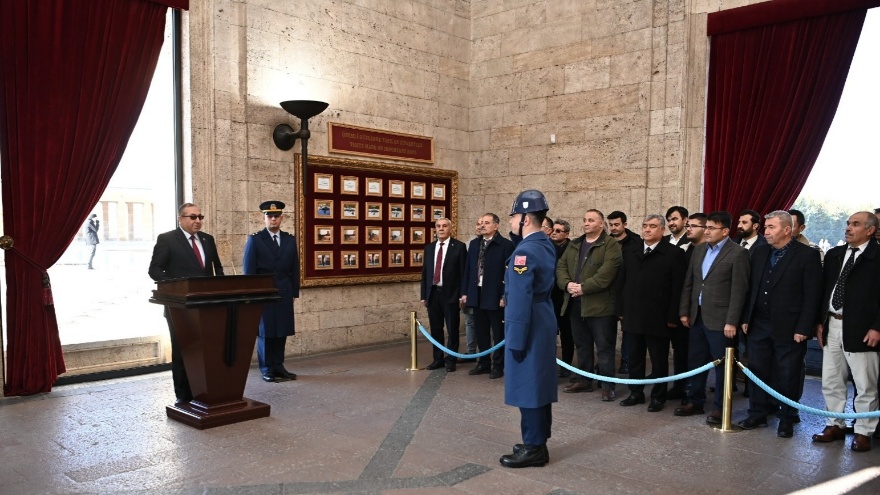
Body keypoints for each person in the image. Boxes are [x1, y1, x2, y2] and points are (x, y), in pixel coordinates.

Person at [736, 211, 822, 438]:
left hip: (790, 327)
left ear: (787, 229)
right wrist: (746, 318)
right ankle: (757, 413)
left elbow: (812, 295)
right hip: (759, 324)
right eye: (766, 227)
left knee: (788, 373)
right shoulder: (760, 252)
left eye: (772, 227)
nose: (766, 231)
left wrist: (804, 327)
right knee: (757, 371)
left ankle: (787, 418)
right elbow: (751, 288)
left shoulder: (807, 255)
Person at [498, 190, 558, 469]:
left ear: (524, 218)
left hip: (528, 322)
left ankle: (534, 447)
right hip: (542, 317)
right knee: (539, 383)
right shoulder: (543, 243)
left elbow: (520, 300)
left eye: (513, 216)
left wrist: (516, 338)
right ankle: (537, 440)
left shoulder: (524, 252)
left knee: (529, 386)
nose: (510, 221)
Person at [812, 211, 880, 452]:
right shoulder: (834, 254)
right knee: (831, 380)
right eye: (848, 223)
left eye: (856, 224)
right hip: (832, 324)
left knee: (865, 384)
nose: (848, 228)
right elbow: (824, 290)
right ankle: (835, 424)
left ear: (871, 230)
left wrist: (877, 327)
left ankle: (863, 431)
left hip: (862, 330)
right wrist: (820, 322)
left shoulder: (877, 256)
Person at [675, 211, 749, 425]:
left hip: (721, 320)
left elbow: (739, 290)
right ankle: (695, 401)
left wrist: (732, 321)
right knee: (695, 362)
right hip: (697, 316)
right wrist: (684, 311)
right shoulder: (698, 250)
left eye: (711, 228)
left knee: (722, 366)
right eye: (705, 227)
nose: (706, 231)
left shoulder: (738, 254)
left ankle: (720, 407)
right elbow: (690, 283)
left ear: (725, 231)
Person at [148, 203, 224, 404]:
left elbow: (218, 270)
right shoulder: (167, 240)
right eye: (192, 217)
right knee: (184, 351)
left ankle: (205, 391)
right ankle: (183, 396)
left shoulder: (208, 240)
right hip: (180, 308)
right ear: (180, 219)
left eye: (200, 216)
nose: (197, 221)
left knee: (206, 350)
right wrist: (176, 287)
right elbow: (155, 270)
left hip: (208, 306)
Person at [618, 214, 686, 413]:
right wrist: (620, 309)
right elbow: (622, 282)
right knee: (635, 357)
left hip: (658, 317)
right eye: (645, 226)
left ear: (662, 230)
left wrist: (673, 316)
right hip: (633, 314)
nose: (647, 230)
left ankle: (658, 396)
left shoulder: (674, 254)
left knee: (658, 360)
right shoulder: (631, 251)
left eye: (653, 226)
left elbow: (677, 288)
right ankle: (636, 393)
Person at [557, 209, 622, 401]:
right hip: (576, 304)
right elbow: (561, 267)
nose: (586, 223)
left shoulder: (610, 244)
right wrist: (567, 284)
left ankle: (608, 385)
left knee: (604, 347)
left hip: (600, 306)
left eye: (591, 220)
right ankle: (584, 380)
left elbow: (607, 273)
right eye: (584, 220)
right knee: (582, 345)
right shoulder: (575, 244)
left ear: (601, 224)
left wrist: (583, 287)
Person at [243, 201, 301, 383]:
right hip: (264, 291)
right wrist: (253, 295)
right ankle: (267, 368)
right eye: (269, 216)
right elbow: (249, 270)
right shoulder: (255, 239)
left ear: (282, 218)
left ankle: (279, 366)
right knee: (265, 332)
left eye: (276, 216)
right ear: (264, 218)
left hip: (284, 291)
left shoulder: (289, 240)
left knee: (281, 330)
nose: (273, 219)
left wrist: (294, 292)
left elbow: (294, 268)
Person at [461, 213, 514, 379]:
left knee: (497, 332)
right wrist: (465, 292)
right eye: (481, 222)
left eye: (486, 222)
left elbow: (509, 274)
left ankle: (498, 365)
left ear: (496, 226)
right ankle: (483, 363)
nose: (482, 225)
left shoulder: (506, 245)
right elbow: (468, 270)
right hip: (476, 293)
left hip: (495, 294)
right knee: (481, 330)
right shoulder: (475, 244)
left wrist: (504, 295)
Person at [420, 217, 467, 372]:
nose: (441, 228)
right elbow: (425, 273)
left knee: (452, 329)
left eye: (444, 226)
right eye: (438, 226)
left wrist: (462, 294)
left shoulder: (459, 247)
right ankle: (438, 359)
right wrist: (424, 295)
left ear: (450, 229)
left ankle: (451, 359)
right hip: (433, 294)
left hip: (451, 294)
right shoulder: (429, 248)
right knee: (436, 329)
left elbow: (463, 273)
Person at [608, 210, 641, 374]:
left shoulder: (635, 242)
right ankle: (605, 363)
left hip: (627, 291)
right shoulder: (606, 241)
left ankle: (626, 361)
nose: (613, 228)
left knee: (627, 329)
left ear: (625, 224)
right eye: (611, 225)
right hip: (608, 292)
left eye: (616, 224)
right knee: (606, 330)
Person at [550, 219, 573, 377]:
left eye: (558, 231)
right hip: (549, 296)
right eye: (553, 230)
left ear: (566, 233)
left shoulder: (572, 249)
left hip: (565, 297)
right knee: (550, 333)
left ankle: (567, 365)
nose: (554, 233)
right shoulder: (547, 247)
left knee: (567, 334)